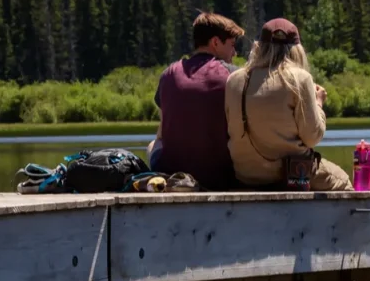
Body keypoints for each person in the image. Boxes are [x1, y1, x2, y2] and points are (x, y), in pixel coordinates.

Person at [225, 18, 352, 191]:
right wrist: (318, 104)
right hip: (292, 173)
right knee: (343, 181)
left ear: (259, 47)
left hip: (246, 174)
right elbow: (312, 137)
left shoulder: (234, 80)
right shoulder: (299, 78)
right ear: (296, 50)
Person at [147, 12, 246, 190]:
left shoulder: (169, 74)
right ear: (215, 42)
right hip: (218, 177)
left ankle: (176, 182)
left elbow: (162, 133)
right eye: (231, 45)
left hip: (171, 173)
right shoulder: (233, 75)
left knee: (153, 144)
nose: (234, 52)